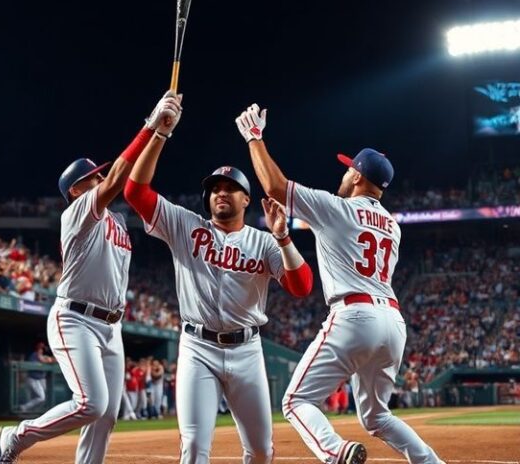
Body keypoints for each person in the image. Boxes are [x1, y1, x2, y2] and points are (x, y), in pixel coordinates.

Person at [235, 103, 445, 464]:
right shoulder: (393, 227)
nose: (345, 174)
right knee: (377, 416)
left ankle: (336, 451)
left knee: (295, 401)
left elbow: (274, 185)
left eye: (349, 169)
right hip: (393, 321)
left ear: (359, 178)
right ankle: (429, 461)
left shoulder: (338, 207)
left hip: (354, 315)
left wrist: (255, 138)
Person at [0, 91, 181, 464]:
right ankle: (14, 437)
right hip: (74, 318)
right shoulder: (77, 212)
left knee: (107, 415)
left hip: (111, 325)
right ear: (75, 190)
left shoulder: (117, 220)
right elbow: (115, 182)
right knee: (91, 404)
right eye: (90, 178)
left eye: (97, 175)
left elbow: (129, 185)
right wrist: (149, 126)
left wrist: (162, 135)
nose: (97, 180)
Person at [123, 96, 313, 464]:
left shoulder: (263, 241)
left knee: (260, 451)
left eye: (229, 188)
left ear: (246, 199)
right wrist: (160, 133)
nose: (220, 193)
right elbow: (134, 192)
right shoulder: (185, 225)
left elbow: (302, 287)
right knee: (194, 449)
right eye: (214, 188)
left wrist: (284, 237)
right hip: (198, 349)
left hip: (247, 350)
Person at [18, 342, 54, 414]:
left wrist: (48, 359)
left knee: (40, 398)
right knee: (41, 397)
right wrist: (46, 360)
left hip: (41, 380)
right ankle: (24, 407)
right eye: (40, 347)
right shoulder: (34, 355)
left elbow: (52, 360)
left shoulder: (44, 355)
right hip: (33, 379)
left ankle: (32, 412)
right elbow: (42, 360)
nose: (42, 349)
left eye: (42, 347)